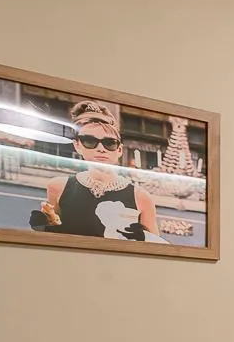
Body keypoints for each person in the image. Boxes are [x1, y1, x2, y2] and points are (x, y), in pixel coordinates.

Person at [38, 100, 162, 241]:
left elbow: (157, 249)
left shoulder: (140, 197)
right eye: (90, 141)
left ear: (119, 150)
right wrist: (45, 226)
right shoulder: (58, 187)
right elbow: (54, 238)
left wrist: (143, 238)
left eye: (109, 143)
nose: (101, 149)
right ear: (78, 145)